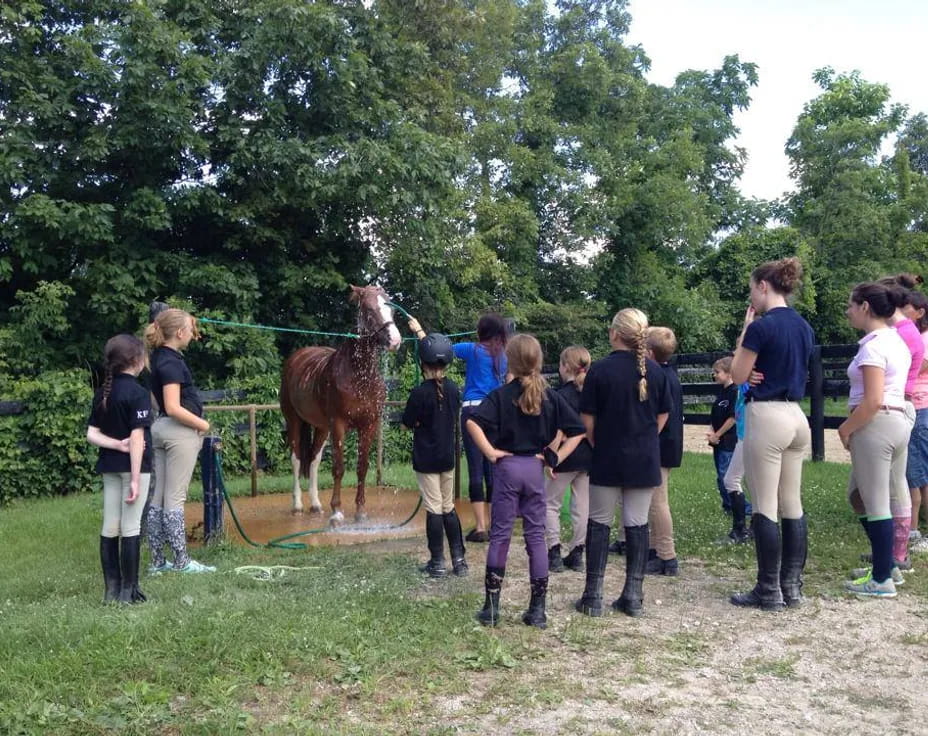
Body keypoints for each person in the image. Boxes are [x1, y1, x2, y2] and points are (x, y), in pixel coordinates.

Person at [466, 334, 585, 629]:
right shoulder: (550, 396)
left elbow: (472, 422)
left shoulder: (500, 395)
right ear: (538, 361)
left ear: (511, 361)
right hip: (534, 468)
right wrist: (552, 457)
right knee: (536, 538)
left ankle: (492, 609)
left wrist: (491, 453)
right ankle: (537, 610)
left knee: (501, 535)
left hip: (507, 468)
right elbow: (578, 431)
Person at [729, 257, 814, 611]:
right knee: (792, 503)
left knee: (765, 505)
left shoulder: (761, 327)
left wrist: (745, 332)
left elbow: (736, 374)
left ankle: (767, 590)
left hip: (767, 415)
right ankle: (791, 586)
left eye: (753, 289)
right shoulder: (803, 326)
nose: (752, 296)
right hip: (797, 416)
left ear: (764, 286)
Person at [576, 308, 671, 618]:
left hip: (607, 454)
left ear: (615, 334)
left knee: (600, 521)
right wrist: (642, 438)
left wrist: (598, 442)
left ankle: (593, 596)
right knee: (637, 523)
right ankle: (633, 595)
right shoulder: (656, 372)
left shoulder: (599, 371)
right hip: (644, 458)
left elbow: (587, 418)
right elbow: (662, 416)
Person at [839, 283, 913, 597]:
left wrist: (846, 428)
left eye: (851, 305)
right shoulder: (896, 341)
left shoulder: (872, 347)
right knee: (859, 496)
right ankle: (888, 564)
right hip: (896, 421)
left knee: (876, 501)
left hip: (875, 423)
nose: (848, 311)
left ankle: (881, 578)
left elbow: (871, 399)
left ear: (865, 307)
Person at [145, 308, 215, 574]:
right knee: (174, 499)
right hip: (178, 431)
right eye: (189, 329)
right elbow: (174, 406)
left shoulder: (158, 358)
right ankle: (182, 562)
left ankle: (157, 561)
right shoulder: (172, 362)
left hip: (161, 428)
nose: (192, 334)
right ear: (180, 332)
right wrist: (202, 424)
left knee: (158, 498)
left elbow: (158, 401)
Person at [86, 334, 153, 604]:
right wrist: (136, 479)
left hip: (109, 467)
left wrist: (115, 445)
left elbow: (92, 434)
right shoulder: (138, 393)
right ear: (136, 360)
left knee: (110, 524)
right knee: (131, 525)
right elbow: (137, 438)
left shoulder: (102, 392)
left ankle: (111, 591)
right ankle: (129, 591)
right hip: (133, 469)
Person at [401, 332, 467, 578]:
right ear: (447, 363)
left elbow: (407, 423)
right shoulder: (453, 389)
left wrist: (417, 423)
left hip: (426, 460)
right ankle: (459, 561)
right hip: (447, 458)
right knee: (448, 506)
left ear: (423, 364)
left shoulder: (419, 393)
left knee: (434, 508)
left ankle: (437, 562)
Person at [875, 275, 924, 566]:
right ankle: (893, 552)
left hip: (890, 409)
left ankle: (893, 555)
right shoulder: (906, 331)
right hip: (901, 407)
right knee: (895, 484)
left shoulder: (899, 335)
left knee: (890, 487)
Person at [451, 314, 510, 542]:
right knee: (492, 466)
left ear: (481, 331)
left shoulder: (472, 350)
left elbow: (441, 349)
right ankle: (496, 526)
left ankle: (480, 527)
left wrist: (419, 332)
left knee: (475, 467)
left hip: (473, 411)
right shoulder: (503, 355)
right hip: (494, 412)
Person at [544, 346, 593, 574]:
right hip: (588, 456)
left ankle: (553, 551)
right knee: (581, 505)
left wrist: (550, 457)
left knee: (550, 503)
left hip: (564, 455)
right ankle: (577, 552)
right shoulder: (592, 393)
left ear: (565, 367)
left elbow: (557, 431)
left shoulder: (558, 396)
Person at [644, 327, 682, 577]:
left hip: (661, 443)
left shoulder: (659, 377)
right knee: (653, 500)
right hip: (667, 442)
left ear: (649, 352)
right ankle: (654, 548)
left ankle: (667, 555)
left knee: (658, 501)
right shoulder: (669, 374)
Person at [902, 289, 928, 552]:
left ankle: (913, 530)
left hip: (920, 408)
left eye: (906, 307)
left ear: (919, 312)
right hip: (919, 408)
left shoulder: (923, 339)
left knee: (915, 473)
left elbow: (915, 368)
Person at [722, 380, 755, 544]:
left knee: (731, 480)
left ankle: (740, 530)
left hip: (748, 435)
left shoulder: (747, 384)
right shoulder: (742, 386)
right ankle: (755, 527)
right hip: (745, 433)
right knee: (753, 482)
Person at [708, 356, 738, 514]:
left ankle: (739, 506)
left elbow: (733, 418)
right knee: (721, 475)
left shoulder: (735, 392)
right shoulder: (722, 392)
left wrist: (718, 434)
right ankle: (729, 506)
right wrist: (712, 431)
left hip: (728, 440)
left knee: (725, 476)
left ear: (729, 373)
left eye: (717, 372)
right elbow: (716, 415)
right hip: (717, 441)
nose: (715, 375)